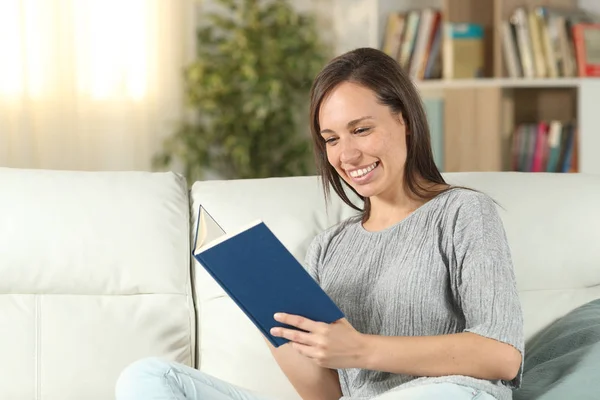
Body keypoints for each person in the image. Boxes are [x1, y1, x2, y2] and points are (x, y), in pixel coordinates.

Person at [115, 47, 524, 400]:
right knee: (148, 377)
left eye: (360, 130)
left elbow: (502, 355)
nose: (347, 155)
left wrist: (361, 349)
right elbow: (326, 394)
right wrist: (270, 318)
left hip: (446, 393)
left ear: (405, 120)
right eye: (331, 139)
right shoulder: (328, 247)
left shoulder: (462, 213)